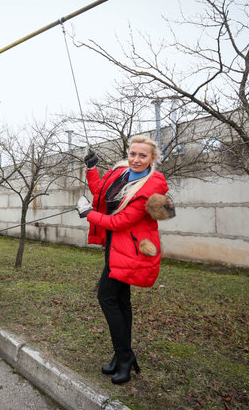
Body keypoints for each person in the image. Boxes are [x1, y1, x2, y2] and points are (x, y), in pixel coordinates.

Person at [76, 135, 174, 385]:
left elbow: (119, 221)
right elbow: (100, 192)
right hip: (114, 246)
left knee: (106, 297)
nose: (136, 159)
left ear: (152, 159)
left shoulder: (151, 185)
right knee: (121, 301)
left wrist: (88, 214)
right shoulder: (121, 173)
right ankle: (123, 356)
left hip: (130, 250)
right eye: (133, 154)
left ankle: (124, 358)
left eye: (143, 155)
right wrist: (91, 168)